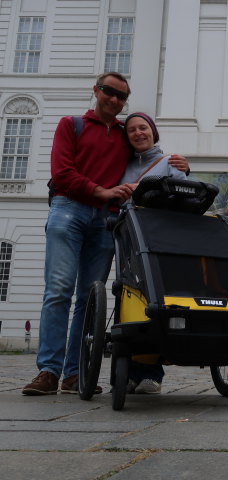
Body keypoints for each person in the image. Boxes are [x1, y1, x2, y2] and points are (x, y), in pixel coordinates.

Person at [22, 73, 185, 396]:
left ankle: (73, 373)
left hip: (106, 220)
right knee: (58, 290)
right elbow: (62, 173)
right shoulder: (72, 124)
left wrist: (179, 164)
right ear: (96, 91)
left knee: (88, 299)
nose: (114, 99)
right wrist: (101, 191)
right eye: (109, 92)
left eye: (121, 96)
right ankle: (48, 370)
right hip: (69, 208)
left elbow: (147, 154)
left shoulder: (125, 134)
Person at [121, 112, 190, 394]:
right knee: (129, 301)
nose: (138, 133)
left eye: (143, 128)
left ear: (153, 132)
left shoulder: (169, 162)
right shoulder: (122, 165)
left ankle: (152, 372)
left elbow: (185, 193)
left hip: (159, 240)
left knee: (153, 301)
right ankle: (130, 371)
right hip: (128, 238)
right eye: (132, 130)